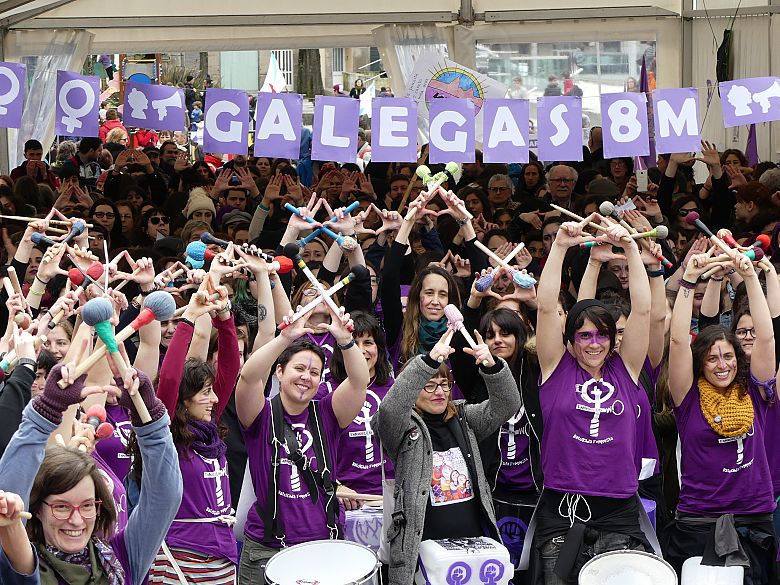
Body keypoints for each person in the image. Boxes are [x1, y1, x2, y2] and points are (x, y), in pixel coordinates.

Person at [530, 213, 654, 584]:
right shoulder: (556, 368)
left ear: (613, 339)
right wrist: (559, 246)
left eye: (602, 335)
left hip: (618, 514)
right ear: (570, 341)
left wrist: (630, 248)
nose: (594, 343)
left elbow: (643, 310)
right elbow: (546, 305)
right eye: (584, 335)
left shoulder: (625, 369)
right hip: (562, 511)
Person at [0, 339, 182, 585]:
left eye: (87, 506)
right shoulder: (18, 563)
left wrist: (148, 414)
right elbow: (8, 499)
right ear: (37, 509)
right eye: (61, 507)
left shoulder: (122, 557)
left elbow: (164, 497)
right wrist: (45, 411)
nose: (76, 520)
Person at [371, 327, 521, 585]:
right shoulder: (402, 428)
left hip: (472, 551)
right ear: (413, 391)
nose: (439, 392)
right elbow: (390, 409)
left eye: (444, 384)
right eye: (429, 386)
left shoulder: (464, 417)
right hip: (422, 557)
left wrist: (492, 366)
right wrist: (428, 363)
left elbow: (507, 404)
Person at [234, 305, 369, 583]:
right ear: (279, 371)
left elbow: (359, 382)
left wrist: (345, 340)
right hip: (266, 551)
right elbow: (248, 376)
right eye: (299, 368)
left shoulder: (328, 414)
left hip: (324, 547)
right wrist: (285, 338)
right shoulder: (260, 415)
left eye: (314, 372)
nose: (306, 377)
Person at [667, 250, 778, 582]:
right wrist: (689, 281)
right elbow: (677, 341)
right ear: (700, 362)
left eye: (728, 356)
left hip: (754, 517)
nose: (722, 365)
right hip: (699, 520)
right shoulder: (687, 396)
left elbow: (767, 336)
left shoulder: (755, 391)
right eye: (712, 358)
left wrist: (750, 278)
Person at [147, 272, 242, 585]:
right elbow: (170, 378)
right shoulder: (168, 436)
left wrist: (225, 317)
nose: (215, 399)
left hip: (224, 557)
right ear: (183, 400)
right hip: (180, 556)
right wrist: (187, 319)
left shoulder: (209, 429)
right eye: (205, 393)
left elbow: (230, 368)